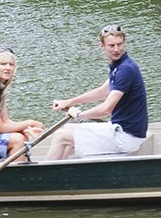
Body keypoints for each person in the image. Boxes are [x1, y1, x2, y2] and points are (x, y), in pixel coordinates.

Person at [51, 24, 150, 157]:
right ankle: (57, 173)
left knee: (60, 136)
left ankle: (39, 176)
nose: (116, 49)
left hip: (127, 138)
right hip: (121, 131)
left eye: (119, 44)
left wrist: (79, 115)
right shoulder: (119, 66)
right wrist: (68, 102)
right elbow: (102, 92)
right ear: (102, 46)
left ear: (124, 43)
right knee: (66, 130)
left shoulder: (125, 69)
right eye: (111, 45)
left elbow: (106, 109)